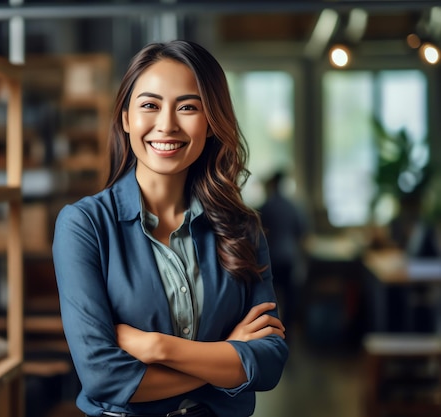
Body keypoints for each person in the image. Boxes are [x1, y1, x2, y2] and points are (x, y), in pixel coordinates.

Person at [52, 40, 288, 417]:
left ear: (212, 121)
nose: (167, 124)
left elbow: (270, 361)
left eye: (188, 107)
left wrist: (159, 348)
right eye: (150, 105)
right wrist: (224, 358)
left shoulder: (242, 227)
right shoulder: (84, 225)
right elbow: (103, 377)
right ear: (126, 118)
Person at [258, 170, 307, 334]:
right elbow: (301, 233)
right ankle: (287, 331)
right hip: (288, 257)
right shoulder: (292, 206)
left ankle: (271, 331)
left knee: (270, 297)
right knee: (289, 296)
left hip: (270, 258)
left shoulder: (265, 207)